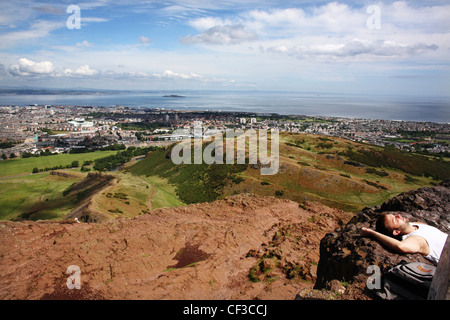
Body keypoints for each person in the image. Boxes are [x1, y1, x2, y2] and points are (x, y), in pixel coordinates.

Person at [360, 212, 448, 265]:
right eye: (395, 219)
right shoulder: (417, 239)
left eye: (394, 215)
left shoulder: (416, 225)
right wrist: (372, 233)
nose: (398, 215)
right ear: (396, 232)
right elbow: (401, 246)